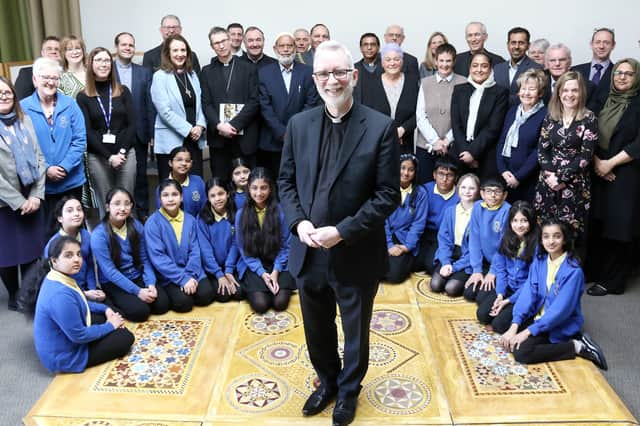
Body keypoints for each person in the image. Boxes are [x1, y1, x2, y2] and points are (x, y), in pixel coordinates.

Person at [278, 40, 399, 426]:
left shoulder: (380, 127)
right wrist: (299, 223)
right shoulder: (299, 125)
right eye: (324, 73)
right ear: (314, 79)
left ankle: (349, 392)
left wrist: (342, 232)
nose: (332, 81)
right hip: (309, 249)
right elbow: (285, 183)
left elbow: (386, 196)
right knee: (316, 329)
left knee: (354, 332)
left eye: (339, 72)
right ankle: (327, 382)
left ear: (354, 75)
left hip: (355, 251)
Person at [499, 219, 608, 370]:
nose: (551, 241)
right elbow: (529, 293)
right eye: (546, 236)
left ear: (565, 239)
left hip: (556, 323)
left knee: (522, 352)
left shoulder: (573, 272)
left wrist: (526, 332)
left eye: (557, 236)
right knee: (502, 324)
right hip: (538, 315)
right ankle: (523, 328)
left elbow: (559, 312)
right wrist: (514, 325)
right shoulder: (540, 260)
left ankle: (576, 346)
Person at [33, 236, 134, 373]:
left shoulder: (58, 277)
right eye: (68, 255)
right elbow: (79, 336)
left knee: (107, 315)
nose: (76, 259)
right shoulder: (60, 295)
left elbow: (80, 302)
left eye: (78, 254)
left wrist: (106, 309)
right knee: (125, 338)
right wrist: (110, 325)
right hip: (66, 357)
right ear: (54, 261)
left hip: (66, 341)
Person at [586, 59, 640, 296]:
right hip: (597, 167)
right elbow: (588, 130)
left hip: (626, 171)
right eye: (618, 73)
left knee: (619, 227)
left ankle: (613, 281)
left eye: (628, 74)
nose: (622, 77)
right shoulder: (602, 98)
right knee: (596, 223)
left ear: (636, 77)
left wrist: (611, 163)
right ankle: (594, 271)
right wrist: (597, 161)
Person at [534, 71, 598, 253]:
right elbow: (542, 149)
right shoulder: (551, 116)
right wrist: (551, 176)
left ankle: (568, 277)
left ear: (581, 93)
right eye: (566, 90)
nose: (570, 94)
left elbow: (585, 156)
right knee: (545, 231)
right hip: (547, 183)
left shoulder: (589, 118)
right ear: (559, 92)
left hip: (574, 185)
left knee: (570, 233)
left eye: (575, 90)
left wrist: (562, 179)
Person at [21, 57, 86, 227]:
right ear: (35, 80)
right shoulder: (23, 108)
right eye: (45, 77)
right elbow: (22, 147)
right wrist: (47, 168)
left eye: (55, 78)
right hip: (41, 185)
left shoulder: (70, 104)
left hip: (71, 181)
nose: (50, 82)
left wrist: (64, 166)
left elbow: (80, 140)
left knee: (73, 228)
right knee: (46, 231)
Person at [0, 76, 46, 310]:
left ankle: (28, 292)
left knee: (31, 248)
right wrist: (18, 202)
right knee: (7, 252)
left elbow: (39, 157)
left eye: (7, 93)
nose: (4, 97)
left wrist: (36, 195)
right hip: (5, 201)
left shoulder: (25, 120)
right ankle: (13, 294)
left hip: (31, 193)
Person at [92, 188, 169, 322]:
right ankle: (109, 302)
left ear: (131, 206)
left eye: (127, 204)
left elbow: (145, 260)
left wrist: (150, 284)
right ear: (107, 207)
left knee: (162, 305)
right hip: (114, 282)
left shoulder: (136, 226)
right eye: (117, 204)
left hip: (135, 274)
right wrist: (138, 292)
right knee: (140, 312)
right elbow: (110, 272)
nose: (122, 208)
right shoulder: (99, 235)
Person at [77, 47, 137, 219]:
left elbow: (132, 124)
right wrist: (109, 157)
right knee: (107, 205)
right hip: (98, 158)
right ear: (91, 64)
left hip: (125, 155)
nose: (103, 64)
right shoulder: (83, 96)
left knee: (126, 203)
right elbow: (87, 131)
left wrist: (122, 153)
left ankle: (129, 242)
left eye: (106, 60)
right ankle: (109, 243)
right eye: (98, 60)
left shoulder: (123, 91)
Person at [144, 179, 215, 312]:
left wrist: (190, 275)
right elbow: (158, 257)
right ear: (159, 199)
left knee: (206, 295)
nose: (170, 199)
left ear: (181, 197)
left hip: (192, 270)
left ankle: (188, 287)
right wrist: (182, 279)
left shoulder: (190, 220)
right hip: (169, 275)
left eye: (174, 195)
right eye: (165, 195)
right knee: (184, 303)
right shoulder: (152, 223)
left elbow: (195, 250)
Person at [201, 27, 260, 180]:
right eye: (216, 43)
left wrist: (233, 124)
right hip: (219, 139)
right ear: (212, 46)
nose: (221, 46)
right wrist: (219, 125)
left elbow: (254, 101)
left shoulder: (249, 68)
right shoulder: (207, 71)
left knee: (248, 184)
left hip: (244, 137)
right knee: (221, 182)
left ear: (230, 40)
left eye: (223, 41)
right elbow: (206, 103)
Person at [258, 32, 318, 178]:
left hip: (300, 138)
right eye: (282, 46)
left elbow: (311, 103)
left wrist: (293, 130)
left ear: (295, 49)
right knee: (275, 182)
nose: (285, 49)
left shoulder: (307, 72)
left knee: (299, 180)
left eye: (289, 46)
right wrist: (281, 132)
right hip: (273, 140)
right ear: (275, 48)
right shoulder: (264, 73)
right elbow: (265, 107)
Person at [236, 168, 295, 313]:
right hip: (255, 264)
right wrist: (262, 273)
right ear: (248, 188)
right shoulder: (241, 214)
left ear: (270, 189)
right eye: (254, 188)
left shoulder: (280, 211)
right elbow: (244, 250)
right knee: (261, 305)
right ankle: (253, 286)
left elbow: (286, 246)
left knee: (280, 303)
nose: (259, 193)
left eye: (264, 188)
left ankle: (270, 284)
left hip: (278, 263)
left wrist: (275, 272)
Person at [476, 201, 539, 333]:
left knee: (498, 326)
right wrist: (500, 294)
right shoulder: (506, 238)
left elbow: (532, 282)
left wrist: (508, 301)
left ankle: (529, 317)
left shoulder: (537, 245)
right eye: (515, 220)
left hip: (525, 292)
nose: (519, 225)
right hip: (509, 287)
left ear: (531, 222)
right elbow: (501, 270)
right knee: (482, 315)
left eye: (524, 221)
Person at [150, 34, 206, 179]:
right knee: (170, 188)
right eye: (175, 50)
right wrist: (189, 129)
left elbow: (200, 104)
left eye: (183, 50)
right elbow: (164, 111)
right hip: (172, 140)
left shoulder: (192, 75)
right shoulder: (160, 76)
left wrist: (200, 126)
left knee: (195, 184)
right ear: (168, 53)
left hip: (194, 139)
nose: (180, 54)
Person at [113, 32, 155, 220]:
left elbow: (149, 104)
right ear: (116, 47)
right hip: (114, 134)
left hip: (139, 133)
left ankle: (143, 216)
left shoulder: (144, 72)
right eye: (124, 45)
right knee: (116, 178)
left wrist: (151, 132)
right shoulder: (107, 70)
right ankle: (119, 217)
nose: (128, 48)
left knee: (140, 179)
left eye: (131, 45)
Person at [450, 52, 508, 179]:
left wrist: (473, 153)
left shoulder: (500, 93)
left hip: (486, 155)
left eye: (484, 66)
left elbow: (493, 128)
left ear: (490, 69)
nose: (479, 70)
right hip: (460, 153)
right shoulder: (459, 90)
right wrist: (466, 153)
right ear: (470, 68)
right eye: (475, 66)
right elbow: (456, 124)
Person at [415, 43, 466, 183]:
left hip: (453, 146)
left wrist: (447, 141)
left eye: (448, 61)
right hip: (427, 146)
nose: (444, 64)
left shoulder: (464, 82)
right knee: (425, 187)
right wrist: (435, 141)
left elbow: (464, 118)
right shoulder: (425, 83)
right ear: (436, 61)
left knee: (451, 185)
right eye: (441, 60)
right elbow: (420, 116)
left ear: (454, 61)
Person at [356, 43, 419, 154]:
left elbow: (419, 113)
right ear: (382, 62)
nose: (392, 63)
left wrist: (402, 130)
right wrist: (389, 134)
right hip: (378, 143)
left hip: (405, 142)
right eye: (388, 59)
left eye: (396, 59)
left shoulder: (413, 83)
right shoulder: (371, 84)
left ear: (402, 61)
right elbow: (367, 114)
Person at [496, 68, 547, 203]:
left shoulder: (546, 115)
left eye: (532, 89)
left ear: (540, 93)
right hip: (506, 177)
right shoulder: (512, 111)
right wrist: (503, 170)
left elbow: (539, 151)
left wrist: (518, 177)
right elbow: (501, 141)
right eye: (523, 88)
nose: (526, 93)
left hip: (528, 180)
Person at [431, 173, 479, 297]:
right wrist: (446, 262)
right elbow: (443, 239)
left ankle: (459, 276)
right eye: (463, 187)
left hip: (468, 258)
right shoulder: (450, 211)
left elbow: (477, 249)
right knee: (435, 285)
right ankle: (448, 269)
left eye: (471, 188)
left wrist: (455, 268)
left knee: (451, 288)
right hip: (451, 254)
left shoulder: (479, 214)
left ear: (478, 191)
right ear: (458, 188)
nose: (467, 191)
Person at [44, 197, 101, 301]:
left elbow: (90, 265)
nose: (76, 214)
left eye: (79, 209)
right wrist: (84, 294)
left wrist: (93, 290)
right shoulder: (53, 245)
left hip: (85, 289)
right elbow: (55, 283)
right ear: (60, 218)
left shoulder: (86, 235)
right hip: (65, 294)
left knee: (115, 309)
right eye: (70, 210)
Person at [464, 177, 511, 303]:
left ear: (505, 195)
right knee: (469, 293)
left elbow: (503, 246)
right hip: (484, 262)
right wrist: (477, 270)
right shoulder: (478, 207)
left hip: (500, 264)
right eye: (489, 191)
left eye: (497, 191)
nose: (493, 195)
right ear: (482, 193)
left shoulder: (507, 211)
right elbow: (474, 239)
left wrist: (493, 271)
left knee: (480, 299)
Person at [197, 177, 243, 302]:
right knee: (224, 295)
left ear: (228, 194)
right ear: (207, 198)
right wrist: (219, 274)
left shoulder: (236, 214)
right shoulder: (202, 219)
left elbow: (236, 244)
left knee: (240, 292)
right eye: (212, 196)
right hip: (212, 268)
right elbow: (205, 250)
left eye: (221, 194)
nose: (217, 199)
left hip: (231, 265)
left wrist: (228, 270)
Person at [384, 154, 427, 283]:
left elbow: (418, 224)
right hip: (384, 237)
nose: (406, 173)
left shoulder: (420, 193)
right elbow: (382, 220)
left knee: (395, 276)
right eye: (402, 168)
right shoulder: (386, 189)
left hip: (404, 238)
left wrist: (407, 247)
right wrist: (389, 245)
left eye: (411, 169)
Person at [414, 160, 459, 272]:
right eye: (441, 174)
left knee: (430, 266)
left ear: (456, 178)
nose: (444, 179)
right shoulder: (425, 189)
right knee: (414, 264)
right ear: (434, 175)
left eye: (449, 175)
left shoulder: (460, 194)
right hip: (424, 232)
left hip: (444, 235)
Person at [493, 27, 543, 106]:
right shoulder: (497, 69)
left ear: (528, 46)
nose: (516, 47)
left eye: (521, 43)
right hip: (499, 116)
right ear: (508, 45)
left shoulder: (537, 69)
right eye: (513, 42)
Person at [154, 146, 205, 218]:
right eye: (179, 160)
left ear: (191, 163)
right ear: (170, 163)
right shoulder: (162, 187)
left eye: (187, 161)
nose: (184, 163)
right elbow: (161, 215)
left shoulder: (198, 182)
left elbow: (204, 210)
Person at [572, 28, 616, 92]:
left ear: (613, 45)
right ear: (591, 44)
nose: (601, 46)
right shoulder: (575, 71)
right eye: (598, 42)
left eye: (606, 43)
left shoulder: (618, 73)